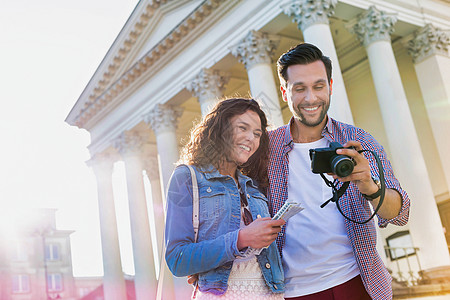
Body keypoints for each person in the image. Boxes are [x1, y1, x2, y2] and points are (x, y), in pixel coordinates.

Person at [267, 43, 410, 300]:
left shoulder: (358, 140)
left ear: (330, 86)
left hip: (358, 283)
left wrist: (369, 185)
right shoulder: (265, 150)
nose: (311, 98)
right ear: (284, 92)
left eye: (318, 86)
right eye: (299, 88)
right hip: (293, 292)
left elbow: (399, 213)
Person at [165, 98, 286, 299]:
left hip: (270, 293)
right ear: (221, 129)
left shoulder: (254, 184)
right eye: (243, 128)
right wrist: (241, 238)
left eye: (257, 134)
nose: (251, 138)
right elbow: (177, 259)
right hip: (220, 294)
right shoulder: (186, 177)